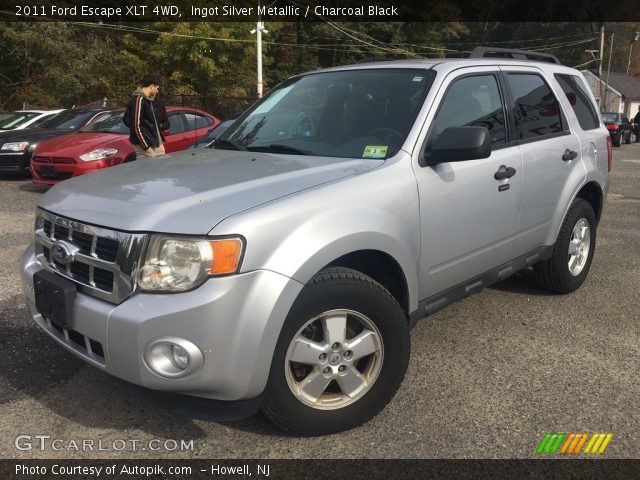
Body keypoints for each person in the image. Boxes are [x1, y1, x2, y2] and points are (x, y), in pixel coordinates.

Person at [124, 73, 165, 158]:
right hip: (146, 145)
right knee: (149, 170)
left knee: (162, 168)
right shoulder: (139, 100)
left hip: (155, 143)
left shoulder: (149, 100)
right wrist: (145, 146)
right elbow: (136, 126)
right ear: (152, 86)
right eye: (157, 88)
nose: (157, 91)